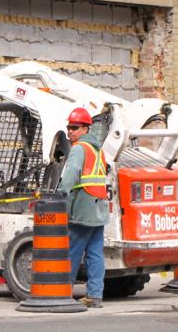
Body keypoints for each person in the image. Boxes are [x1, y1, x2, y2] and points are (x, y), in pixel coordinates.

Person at [57, 107, 109, 308]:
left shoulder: (79, 148)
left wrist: (60, 193)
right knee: (95, 254)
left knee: (73, 251)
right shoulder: (98, 149)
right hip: (99, 207)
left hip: (84, 207)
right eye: (69, 127)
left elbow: (71, 175)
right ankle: (95, 296)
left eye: (75, 127)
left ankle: (63, 291)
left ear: (86, 128)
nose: (70, 131)